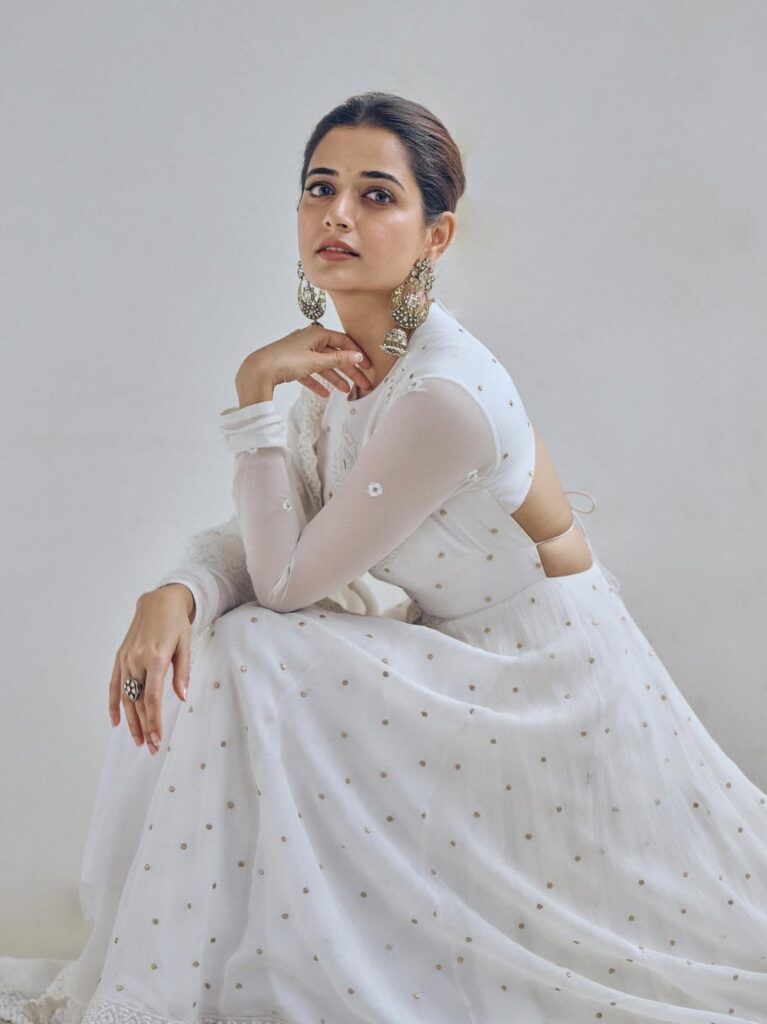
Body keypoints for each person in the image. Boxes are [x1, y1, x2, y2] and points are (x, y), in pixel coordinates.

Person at [2, 90, 766, 1024]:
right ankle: (177, 966)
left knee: (254, 650)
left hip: (540, 680)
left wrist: (251, 393)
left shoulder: (439, 392)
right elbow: (278, 534)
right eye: (320, 188)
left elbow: (285, 585)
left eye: (375, 195)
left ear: (435, 236)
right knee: (222, 642)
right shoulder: (347, 363)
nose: (338, 214)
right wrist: (176, 590)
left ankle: (167, 986)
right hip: (455, 659)